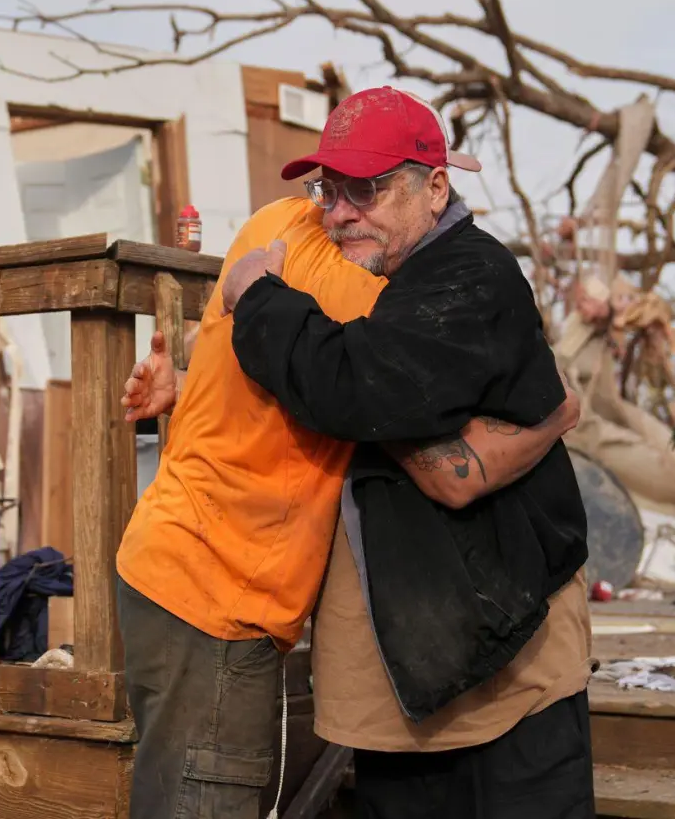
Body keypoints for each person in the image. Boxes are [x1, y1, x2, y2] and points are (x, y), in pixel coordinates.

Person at [114, 84, 586, 819]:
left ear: (435, 188)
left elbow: (360, 381)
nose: (339, 210)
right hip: (224, 593)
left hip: (492, 651)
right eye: (330, 188)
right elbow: (361, 387)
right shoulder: (341, 263)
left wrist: (250, 304)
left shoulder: (434, 273)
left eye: (364, 188)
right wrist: (553, 414)